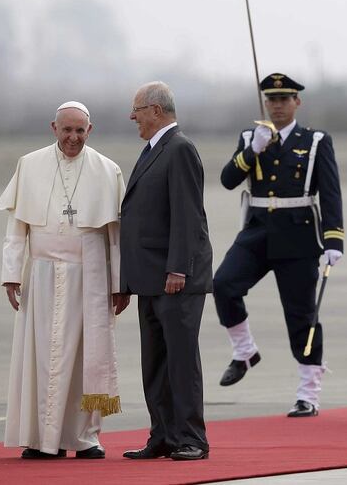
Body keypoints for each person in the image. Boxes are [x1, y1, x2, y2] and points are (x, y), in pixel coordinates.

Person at [0, 101, 126, 459]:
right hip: (40, 274)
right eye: (66, 130)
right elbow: (16, 229)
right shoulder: (30, 164)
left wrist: (119, 284)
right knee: (40, 356)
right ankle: (40, 439)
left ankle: (84, 437)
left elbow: (115, 236)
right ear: (53, 128)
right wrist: (11, 274)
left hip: (91, 276)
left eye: (80, 131)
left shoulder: (107, 169)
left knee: (87, 356)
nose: (73, 137)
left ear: (90, 130)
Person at [213, 72, 344, 417]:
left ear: (296, 102)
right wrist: (252, 150)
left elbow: (329, 193)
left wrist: (334, 240)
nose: (277, 105)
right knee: (224, 284)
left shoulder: (315, 141)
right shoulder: (251, 137)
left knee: (301, 316)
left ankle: (308, 392)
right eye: (271, 100)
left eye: (284, 99)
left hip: (299, 235)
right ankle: (244, 351)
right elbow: (228, 180)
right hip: (256, 231)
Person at [119, 81, 213, 460]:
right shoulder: (153, 150)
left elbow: (188, 216)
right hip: (150, 278)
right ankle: (162, 435)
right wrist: (127, 281)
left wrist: (179, 269)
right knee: (155, 362)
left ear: (156, 110)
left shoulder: (180, 150)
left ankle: (191, 438)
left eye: (137, 110)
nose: (132, 117)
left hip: (176, 279)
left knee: (180, 360)